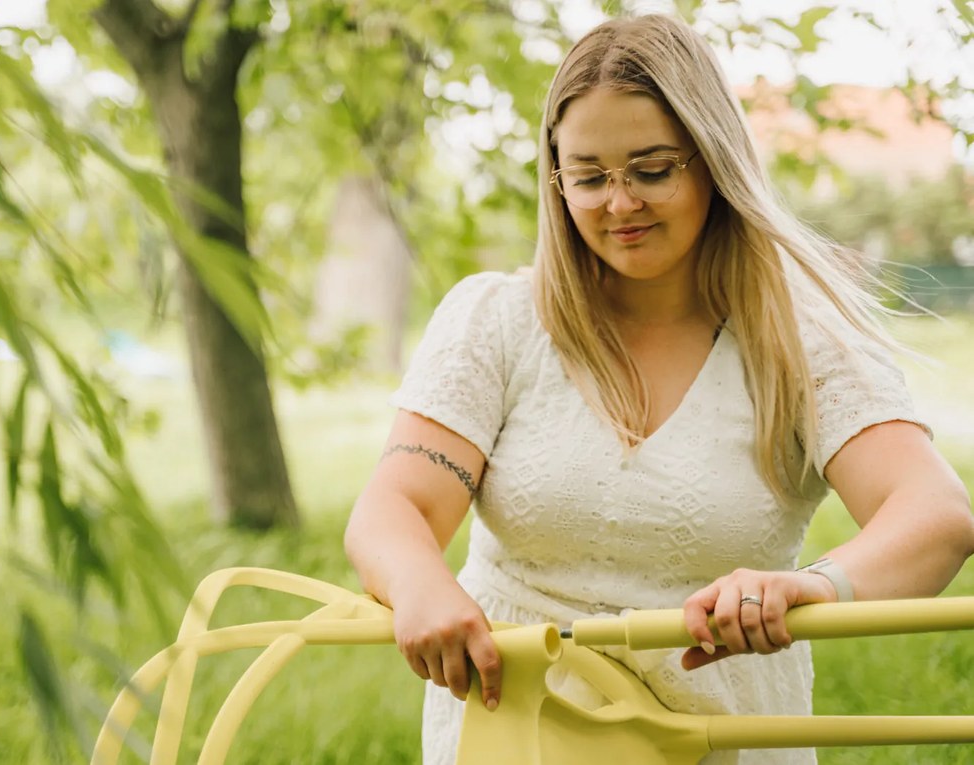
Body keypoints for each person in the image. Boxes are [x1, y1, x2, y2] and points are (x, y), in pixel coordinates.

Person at [343, 13, 974, 765]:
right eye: (588, 177)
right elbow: (396, 505)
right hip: (514, 737)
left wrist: (816, 587)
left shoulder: (805, 341)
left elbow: (935, 515)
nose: (619, 203)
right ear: (556, 179)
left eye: (651, 170)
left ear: (712, 161)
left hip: (723, 742)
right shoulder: (495, 320)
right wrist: (420, 582)